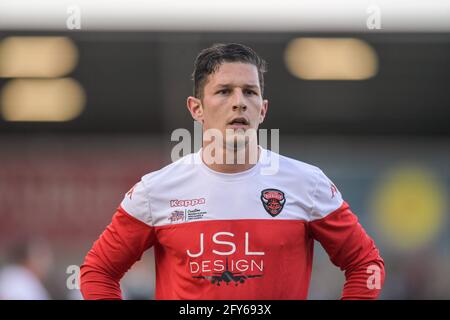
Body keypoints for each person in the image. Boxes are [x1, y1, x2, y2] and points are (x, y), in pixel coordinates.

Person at [80, 43, 385, 300]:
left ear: (263, 109)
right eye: (224, 91)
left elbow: (366, 265)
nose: (239, 103)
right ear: (196, 108)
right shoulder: (155, 190)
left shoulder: (308, 184)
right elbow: (97, 273)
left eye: (250, 92)